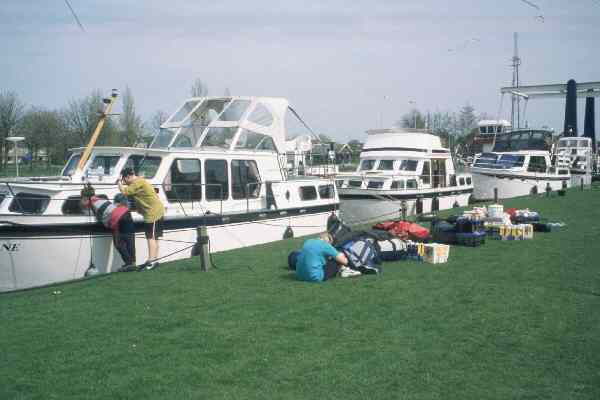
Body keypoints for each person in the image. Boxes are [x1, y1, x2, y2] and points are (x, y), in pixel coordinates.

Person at [80, 184, 136, 271]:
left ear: (85, 197)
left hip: (117, 218)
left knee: (118, 243)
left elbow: (84, 205)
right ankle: (132, 263)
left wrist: (83, 200)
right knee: (129, 240)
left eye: (82, 198)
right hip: (126, 213)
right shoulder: (101, 200)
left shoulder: (92, 202)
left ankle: (129, 264)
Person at [118, 167, 165, 270]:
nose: (124, 182)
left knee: (150, 237)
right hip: (157, 211)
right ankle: (155, 260)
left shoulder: (137, 182)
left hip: (153, 214)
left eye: (124, 180)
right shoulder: (139, 181)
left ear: (128, 176)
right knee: (155, 237)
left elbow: (125, 192)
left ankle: (151, 261)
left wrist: (118, 183)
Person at [294, 232, 360, 282]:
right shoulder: (325, 245)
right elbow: (345, 261)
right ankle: (344, 271)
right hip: (315, 277)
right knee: (337, 260)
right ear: (329, 242)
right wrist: (341, 254)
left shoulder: (308, 241)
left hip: (299, 276)